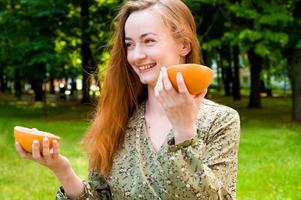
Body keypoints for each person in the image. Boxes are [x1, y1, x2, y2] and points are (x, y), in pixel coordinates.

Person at [15, 0, 240, 199]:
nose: (136, 55)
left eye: (148, 41)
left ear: (184, 44)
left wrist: (184, 131)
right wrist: (62, 170)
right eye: (129, 44)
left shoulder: (220, 120)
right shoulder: (117, 117)